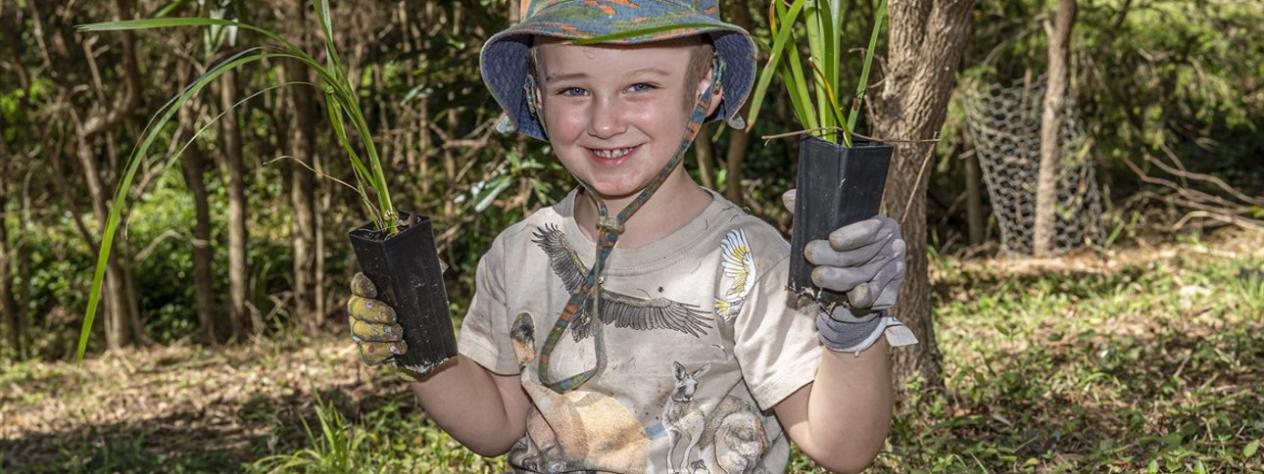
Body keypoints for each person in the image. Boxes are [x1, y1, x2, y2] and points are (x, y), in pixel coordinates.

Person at [347, 1, 916, 472]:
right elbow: (497, 423)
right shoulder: (518, 253)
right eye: (573, 90)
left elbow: (842, 447)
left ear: (706, 92)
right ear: (535, 100)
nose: (604, 121)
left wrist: (852, 330)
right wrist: (417, 349)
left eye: (640, 86)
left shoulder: (746, 260)